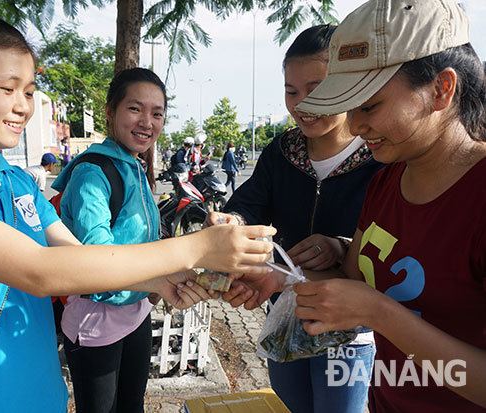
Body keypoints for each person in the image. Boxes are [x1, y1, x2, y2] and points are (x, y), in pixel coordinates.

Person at [0, 15, 277, 413]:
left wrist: (160, 280)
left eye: (30, 92)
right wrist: (199, 247)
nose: (23, 107)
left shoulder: (18, 181)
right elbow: (40, 270)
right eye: (7, 89)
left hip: (45, 395)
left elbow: (77, 256)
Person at [225, 0, 486, 410]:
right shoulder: (386, 181)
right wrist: (284, 278)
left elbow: (372, 302)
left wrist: (381, 314)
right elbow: (354, 279)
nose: (357, 124)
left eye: (369, 106)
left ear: (442, 89)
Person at [207, 24, 385, 413]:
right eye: (291, 91)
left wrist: (342, 246)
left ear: (349, 84)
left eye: (318, 88)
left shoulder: (379, 158)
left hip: (348, 328)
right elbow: (249, 205)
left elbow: (391, 237)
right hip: (284, 314)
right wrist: (231, 224)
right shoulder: (281, 151)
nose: (303, 103)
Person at [50, 68, 167, 413]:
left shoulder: (134, 164)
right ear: (110, 111)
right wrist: (157, 279)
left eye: (157, 113)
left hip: (136, 310)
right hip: (96, 317)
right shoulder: (93, 173)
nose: (147, 121)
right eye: (135, 109)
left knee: (132, 404)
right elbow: (98, 259)